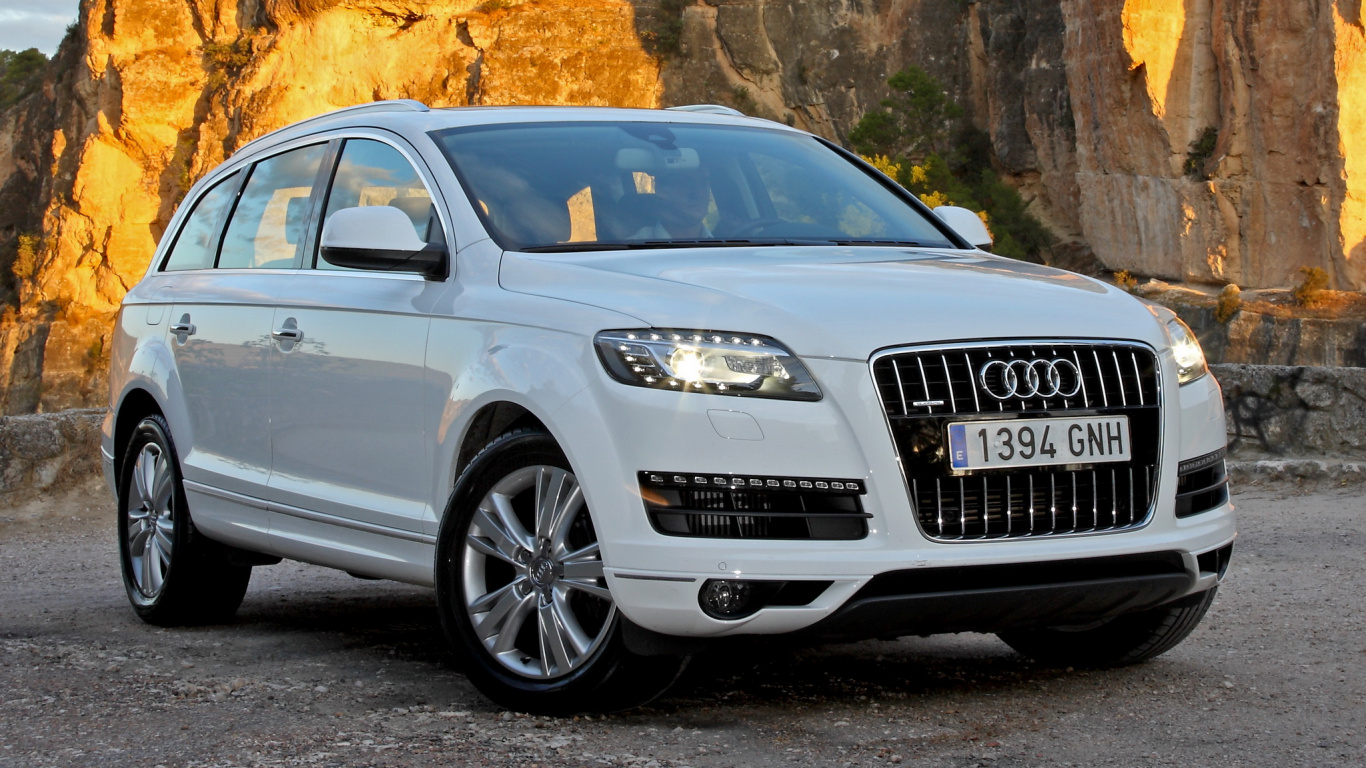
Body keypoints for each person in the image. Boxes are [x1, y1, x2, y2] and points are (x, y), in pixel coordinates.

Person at [629, 169, 713, 239]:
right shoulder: (630, 252)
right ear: (660, 190)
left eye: (703, 183)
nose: (698, 193)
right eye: (685, 184)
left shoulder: (724, 245)